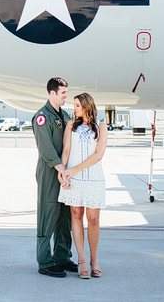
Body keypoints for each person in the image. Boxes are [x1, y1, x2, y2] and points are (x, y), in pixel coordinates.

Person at [58, 91, 107, 279]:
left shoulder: (101, 126)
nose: (74, 108)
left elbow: (98, 155)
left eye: (77, 105)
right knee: (76, 215)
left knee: (93, 219)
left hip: (94, 178)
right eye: (74, 105)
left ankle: (94, 259)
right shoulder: (71, 125)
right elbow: (66, 151)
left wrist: (74, 169)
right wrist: (64, 173)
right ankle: (81, 260)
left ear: (87, 106)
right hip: (73, 179)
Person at [31, 77, 77, 278]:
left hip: (65, 172)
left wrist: (67, 172)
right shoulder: (42, 117)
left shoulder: (65, 115)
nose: (66, 96)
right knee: (48, 212)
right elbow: (46, 149)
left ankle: (62, 257)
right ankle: (44, 260)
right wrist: (61, 170)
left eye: (67, 92)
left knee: (65, 214)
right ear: (52, 93)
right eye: (63, 93)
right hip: (51, 171)